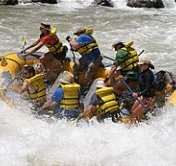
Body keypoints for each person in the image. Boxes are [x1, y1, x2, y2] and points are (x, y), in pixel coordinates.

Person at [130, 58, 157, 122]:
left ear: (147, 65)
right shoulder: (143, 72)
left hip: (149, 98)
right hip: (144, 96)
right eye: (139, 65)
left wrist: (138, 94)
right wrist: (126, 78)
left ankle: (132, 126)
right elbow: (136, 78)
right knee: (132, 110)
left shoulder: (148, 74)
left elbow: (147, 88)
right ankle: (136, 121)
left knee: (134, 113)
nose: (140, 66)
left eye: (141, 65)